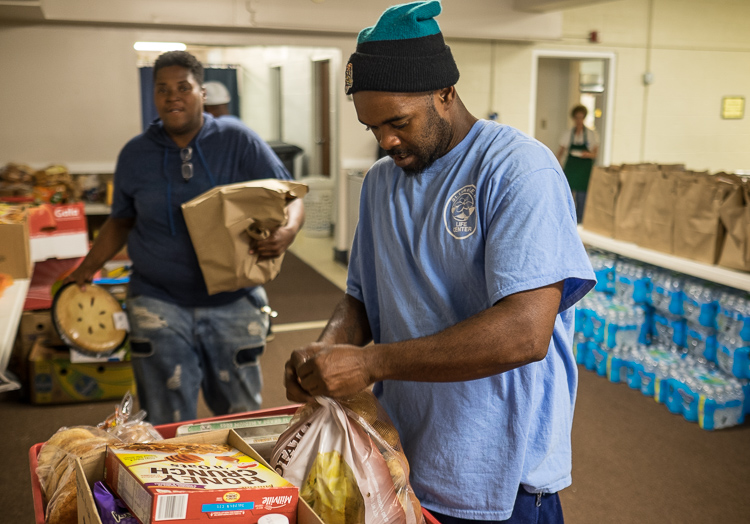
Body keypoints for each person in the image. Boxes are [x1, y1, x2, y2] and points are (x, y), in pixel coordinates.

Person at [284, 2, 595, 523]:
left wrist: (370, 363)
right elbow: (362, 296)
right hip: (402, 461)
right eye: (372, 128)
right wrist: (327, 351)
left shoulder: (517, 169)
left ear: (446, 93)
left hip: (499, 477)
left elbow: (526, 333)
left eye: (397, 122)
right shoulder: (381, 183)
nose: (386, 141)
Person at [67, 51, 304, 425]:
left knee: (241, 419)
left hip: (233, 300)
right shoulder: (135, 154)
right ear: (154, 95)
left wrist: (287, 232)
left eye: (183, 87)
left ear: (202, 92)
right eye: (162, 89)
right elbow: (120, 220)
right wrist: (88, 266)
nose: (172, 96)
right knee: (165, 422)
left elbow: (289, 196)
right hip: (157, 302)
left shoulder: (238, 140)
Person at [556, 104, 599, 224]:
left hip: (584, 168)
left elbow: (595, 154)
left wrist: (586, 154)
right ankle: (567, 219)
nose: (579, 120)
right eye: (577, 117)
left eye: (581, 117)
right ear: (573, 118)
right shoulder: (568, 133)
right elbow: (560, 151)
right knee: (567, 194)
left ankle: (580, 220)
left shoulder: (591, 134)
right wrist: (557, 166)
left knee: (582, 196)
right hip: (571, 167)